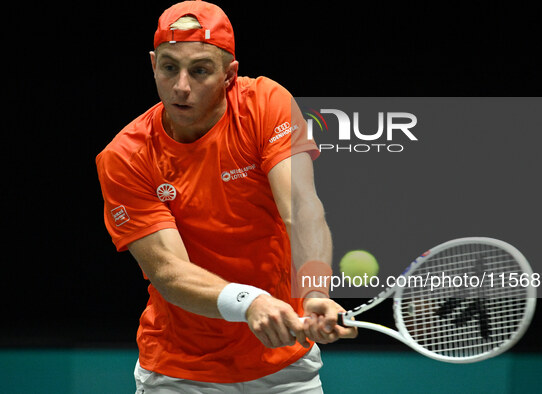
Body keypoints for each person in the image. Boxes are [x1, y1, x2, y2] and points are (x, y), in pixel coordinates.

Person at [96, 1, 356, 392]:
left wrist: (315, 290)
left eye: (200, 70)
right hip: (180, 372)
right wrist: (249, 302)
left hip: (285, 365)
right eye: (169, 67)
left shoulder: (265, 103)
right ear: (153, 65)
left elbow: (301, 208)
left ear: (229, 75)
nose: (181, 86)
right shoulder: (126, 156)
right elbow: (169, 271)